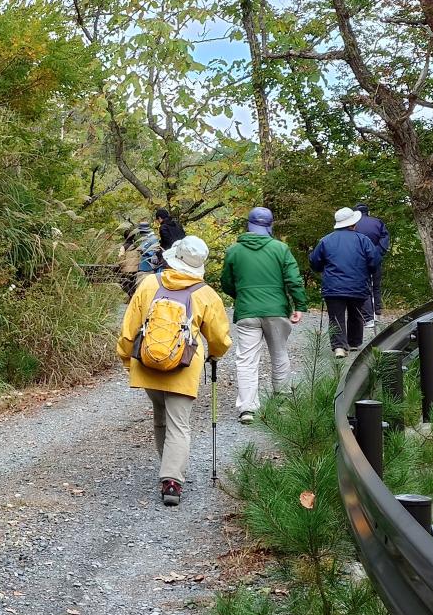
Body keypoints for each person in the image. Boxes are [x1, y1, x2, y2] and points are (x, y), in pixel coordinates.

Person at [116, 234, 233, 507]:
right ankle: (172, 480)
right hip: (183, 366)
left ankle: (167, 469)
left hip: (148, 364)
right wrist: (215, 354)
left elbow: (128, 329)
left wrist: (126, 359)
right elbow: (219, 337)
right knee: (179, 424)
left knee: (160, 417)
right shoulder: (205, 294)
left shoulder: (148, 285)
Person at [218, 206, 307, 425]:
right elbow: (293, 280)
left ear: (249, 225)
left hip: (247, 311)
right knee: (279, 354)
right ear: (269, 226)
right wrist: (300, 305)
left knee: (246, 360)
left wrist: (241, 295)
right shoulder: (281, 249)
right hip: (276, 310)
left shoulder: (234, 251)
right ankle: (282, 403)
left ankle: (247, 408)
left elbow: (226, 283)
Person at [309, 208, 384, 358]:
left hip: (333, 286)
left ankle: (339, 348)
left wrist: (322, 268)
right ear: (354, 223)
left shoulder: (326, 240)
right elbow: (375, 261)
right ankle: (354, 342)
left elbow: (314, 262)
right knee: (356, 314)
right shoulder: (363, 240)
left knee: (336, 316)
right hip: (358, 285)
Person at [352, 205, 392, 324]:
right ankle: (377, 311)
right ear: (367, 212)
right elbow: (385, 237)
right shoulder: (377, 222)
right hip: (375, 258)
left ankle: (365, 315)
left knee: (361, 285)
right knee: (375, 285)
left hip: (357, 259)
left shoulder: (353, 223)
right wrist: (377, 252)